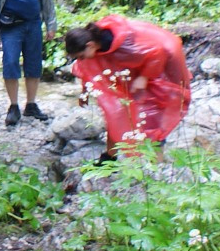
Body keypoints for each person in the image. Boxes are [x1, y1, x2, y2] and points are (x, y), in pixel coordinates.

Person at [64, 16, 191, 159]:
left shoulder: (127, 44)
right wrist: (85, 92)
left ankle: (156, 164)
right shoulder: (95, 43)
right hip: (140, 66)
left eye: (81, 56)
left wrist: (144, 77)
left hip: (165, 65)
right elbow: (87, 70)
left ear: (90, 45)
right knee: (116, 112)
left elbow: (158, 52)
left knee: (153, 117)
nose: (81, 60)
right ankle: (110, 157)